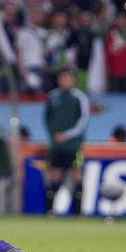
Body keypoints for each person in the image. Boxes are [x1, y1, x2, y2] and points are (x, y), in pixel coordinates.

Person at [44, 68, 89, 215]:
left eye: (68, 77)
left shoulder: (80, 98)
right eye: (63, 77)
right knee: (54, 174)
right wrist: (54, 135)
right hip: (56, 146)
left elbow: (83, 121)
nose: (65, 80)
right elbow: (47, 119)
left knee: (76, 174)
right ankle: (50, 210)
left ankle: (78, 211)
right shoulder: (52, 97)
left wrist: (67, 135)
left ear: (73, 79)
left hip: (74, 146)